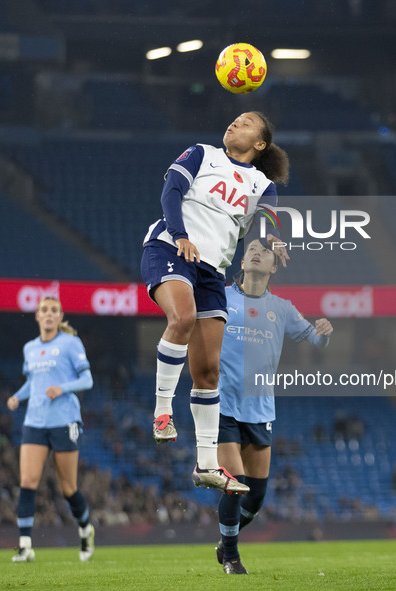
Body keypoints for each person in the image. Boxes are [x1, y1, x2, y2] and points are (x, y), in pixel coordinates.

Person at [141, 112, 290, 495]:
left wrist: (270, 239)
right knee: (183, 316)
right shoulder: (201, 154)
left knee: (208, 371)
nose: (234, 124)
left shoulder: (263, 185)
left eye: (245, 123)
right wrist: (179, 234)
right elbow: (170, 193)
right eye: (235, 120)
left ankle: (206, 465)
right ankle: (161, 413)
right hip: (171, 248)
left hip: (212, 271)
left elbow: (262, 226)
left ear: (260, 144)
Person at [214, 239, 333, 574]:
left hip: (260, 410)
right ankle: (233, 558)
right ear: (242, 257)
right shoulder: (221, 296)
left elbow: (314, 339)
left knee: (255, 497)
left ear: (274, 266)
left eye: (265, 251)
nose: (257, 252)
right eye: (251, 247)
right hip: (222, 405)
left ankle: (226, 541)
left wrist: (324, 333)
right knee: (234, 483)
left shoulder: (281, 308)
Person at [6, 297, 94, 563]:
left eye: (53, 310)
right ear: (37, 316)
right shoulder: (30, 348)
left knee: (68, 488)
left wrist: (63, 388)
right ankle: (24, 546)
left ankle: (85, 528)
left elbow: (87, 379)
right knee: (27, 482)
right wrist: (17, 397)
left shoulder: (70, 343)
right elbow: (33, 383)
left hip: (64, 421)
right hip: (35, 421)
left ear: (59, 316)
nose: (48, 314)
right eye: (44, 310)